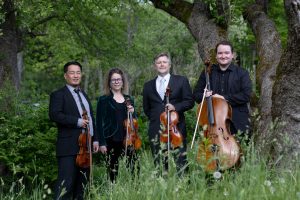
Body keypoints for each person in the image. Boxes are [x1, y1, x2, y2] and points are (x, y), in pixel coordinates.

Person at [49, 61, 99, 200]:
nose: (76, 75)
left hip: (86, 147)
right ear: (66, 76)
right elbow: (54, 114)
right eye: (72, 73)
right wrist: (77, 122)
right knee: (65, 186)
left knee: (82, 187)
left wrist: (95, 139)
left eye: (78, 72)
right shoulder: (58, 94)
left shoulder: (84, 94)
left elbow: (91, 118)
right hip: (68, 147)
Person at [142, 52, 194, 175]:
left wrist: (175, 107)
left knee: (181, 164)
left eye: (164, 62)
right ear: (155, 66)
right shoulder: (148, 85)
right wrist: (158, 119)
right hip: (156, 130)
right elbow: (147, 109)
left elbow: (189, 102)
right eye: (159, 62)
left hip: (176, 130)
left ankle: (183, 189)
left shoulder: (181, 80)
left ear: (169, 65)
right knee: (160, 166)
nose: (162, 64)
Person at [193, 40, 252, 138]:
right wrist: (206, 96)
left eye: (226, 53)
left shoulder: (242, 73)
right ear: (216, 56)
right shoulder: (208, 72)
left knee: (239, 150)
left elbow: (246, 95)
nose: (223, 56)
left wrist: (222, 98)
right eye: (220, 53)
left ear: (232, 55)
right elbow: (196, 94)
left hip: (237, 120)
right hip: (213, 121)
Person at [96, 68, 139, 183]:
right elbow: (99, 122)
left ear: (122, 81)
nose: (116, 82)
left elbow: (134, 121)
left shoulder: (128, 99)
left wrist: (133, 112)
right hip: (111, 139)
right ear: (109, 82)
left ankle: (135, 189)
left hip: (128, 138)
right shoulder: (103, 100)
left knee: (134, 167)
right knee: (113, 169)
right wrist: (102, 142)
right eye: (113, 80)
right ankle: (113, 192)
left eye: (118, 79)